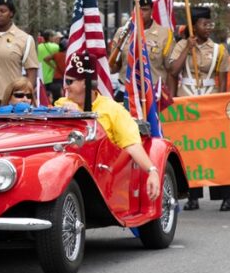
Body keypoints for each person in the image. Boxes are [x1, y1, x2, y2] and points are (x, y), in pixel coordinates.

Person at [55, 53, 159, 201]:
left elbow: (132, 144)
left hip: (105, 175)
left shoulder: (113, 109)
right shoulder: (60, 105)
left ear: (85, 82)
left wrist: (152, 171)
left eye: (70, 81)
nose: (66, 86)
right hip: (67, 171)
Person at [168, 6, 230, 212]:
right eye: (203, 24)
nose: (208, 28)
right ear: (193, 26)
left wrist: (222, 105)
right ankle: (193, 195)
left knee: (217, 150)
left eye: (210, 24)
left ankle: (225, 195)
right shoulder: (181, 45)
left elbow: (223, 81)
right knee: (190, 150)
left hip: (210, 101)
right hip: (187, 100)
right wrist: (188, 49)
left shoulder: (219, 49)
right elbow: (172, 70)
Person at [38, 30, 62, 99]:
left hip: (42, 77)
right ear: (50, 37)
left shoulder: (38, 47)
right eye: (54, 36)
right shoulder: (56, 47)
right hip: (53, 78)